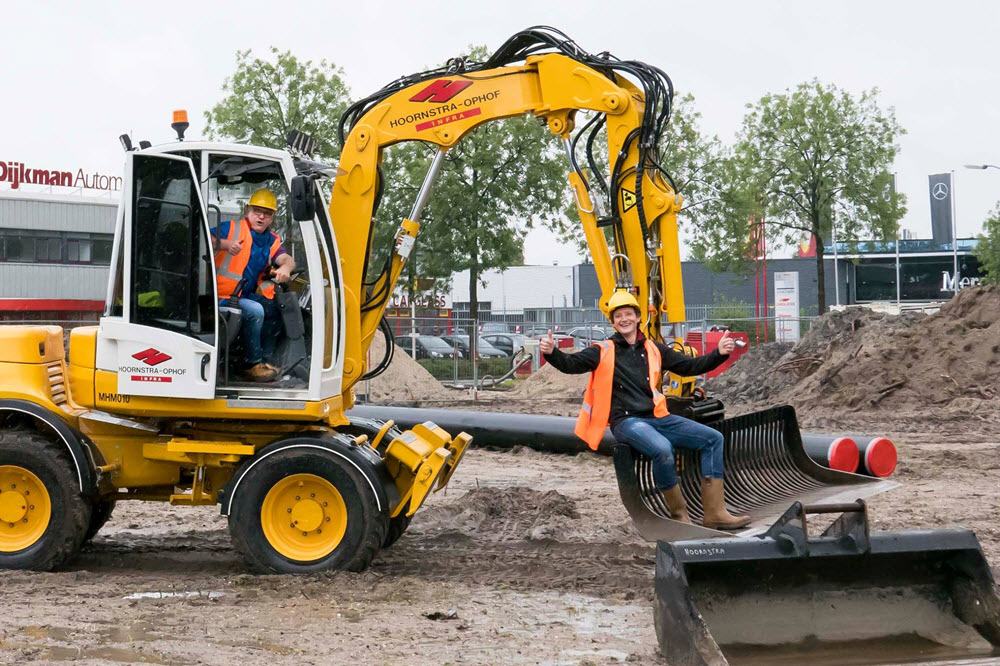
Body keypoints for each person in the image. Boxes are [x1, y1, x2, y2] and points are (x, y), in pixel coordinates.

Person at [539, 291, 750, 530]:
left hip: (658, 417)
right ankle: (679, 517)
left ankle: (715, 513)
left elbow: (689, 366)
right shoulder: (602, 350)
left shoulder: (653, 348)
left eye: (629, 314)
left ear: (638, 317)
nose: (624, 319)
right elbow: (570, 364)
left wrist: (719, 353)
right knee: (663, 449)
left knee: (713, 439)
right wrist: (551, 352)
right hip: (627, 422)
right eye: (618, 315)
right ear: (613, 322)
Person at [213, 189, 295, 382]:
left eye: (267, 213)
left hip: (241, 295)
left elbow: (286, 258)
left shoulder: (271, 239)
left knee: (275, 309)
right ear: (248, 210)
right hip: (219, 295)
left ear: (272, 217)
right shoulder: (231, 228)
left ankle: (266, 361)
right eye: (257, 210)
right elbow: (206, 239)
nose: (261, 216)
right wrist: (225, 245)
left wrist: (285, 268)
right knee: (256, 311)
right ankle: (251, 364)